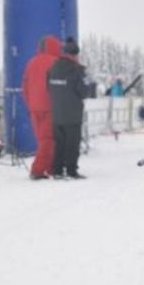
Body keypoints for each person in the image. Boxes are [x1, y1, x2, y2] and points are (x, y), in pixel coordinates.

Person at [47, 36, 91, 180]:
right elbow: (84, 92)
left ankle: (57, 169)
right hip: (72, 115)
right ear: (75, 54)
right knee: (72, 144)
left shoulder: (53, 68)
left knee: (59, 143)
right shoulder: (77, 70)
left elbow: (48, 87)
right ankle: (71, 170)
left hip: (57, 114)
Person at [20, 34, 61, 180]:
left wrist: (30, 104)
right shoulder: (56, 62)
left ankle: (50, 168)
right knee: (48, 140)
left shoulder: (31, 63)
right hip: (50, 107)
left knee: (43, 140)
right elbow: (59, 88)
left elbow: (24, 87)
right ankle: (37, 170)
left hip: (34, 109)